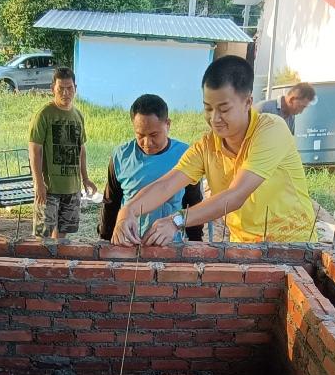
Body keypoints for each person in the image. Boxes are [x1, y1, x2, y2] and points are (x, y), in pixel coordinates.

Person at [111, 56, 316, 245]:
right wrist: (128, 210)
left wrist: (176, 220)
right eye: (208, 108)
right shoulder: (206, 146)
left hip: (293, 245)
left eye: (224, 109)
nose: (214, 118)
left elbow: (236, 195)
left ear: (248, 102)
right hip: (244, 246)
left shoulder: (271, 129)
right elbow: (166, 185)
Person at [98, 94, 203, 242]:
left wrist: (195, 242)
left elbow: (193, 202)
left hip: (170, 244)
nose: (147, 143)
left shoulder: (186, 155)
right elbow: (111, 203)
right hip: (130, 243)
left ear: (168, 124)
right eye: (140, 135)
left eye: (154, 135)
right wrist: (105, 240)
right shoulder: (121, 156)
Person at [29, 67, 96, 239]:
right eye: (61, 88)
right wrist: (39, 183)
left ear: (75, 88)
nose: (65, 93)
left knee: (62, 236)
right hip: (49, 187)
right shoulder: (44, 114)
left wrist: (85, 178)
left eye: (69, 88)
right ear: (53, 88)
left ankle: (57, 257)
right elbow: (35, 150)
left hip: (72, 187)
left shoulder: (78, 116)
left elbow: (81, 149)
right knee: (43, 236)